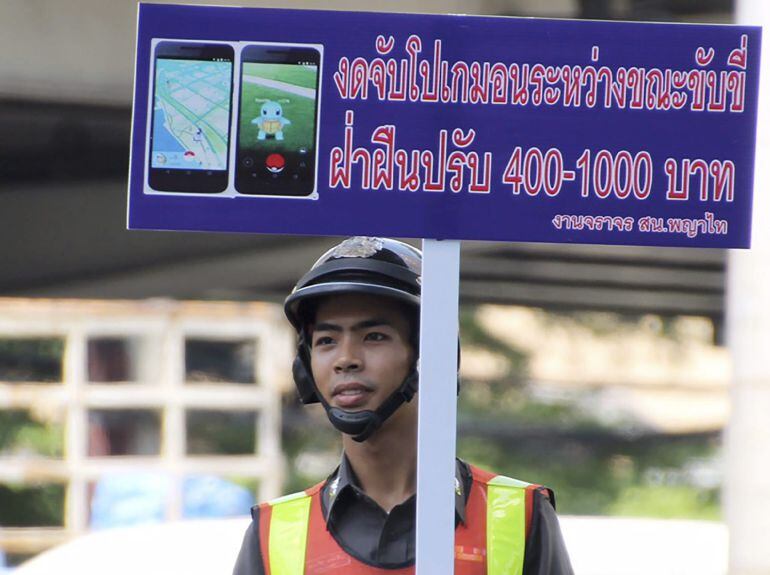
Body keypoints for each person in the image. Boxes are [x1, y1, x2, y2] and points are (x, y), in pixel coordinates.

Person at [233, 236, 573, 575]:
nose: (346, 359)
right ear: (305, 368)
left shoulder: (522, 514)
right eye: (327, 341)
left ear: (431, 354)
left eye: (374, 336)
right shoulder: (272, 532)